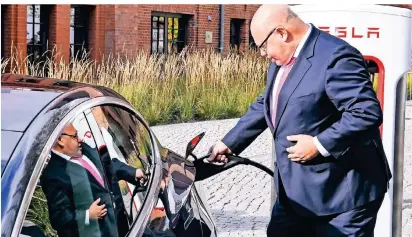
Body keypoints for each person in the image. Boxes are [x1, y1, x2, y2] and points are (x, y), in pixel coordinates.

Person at [208, 4, 392, 237]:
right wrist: (230, 142)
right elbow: (268, 102)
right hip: (295, 193)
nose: (263, 54)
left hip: (342, 197)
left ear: (282, 33)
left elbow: (365, 111)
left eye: (263, 46)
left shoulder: (336, 56)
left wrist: (318, 144)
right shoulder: (282, 61)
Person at [40, 123, 147, 237]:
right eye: (75, 136)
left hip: (120, 224)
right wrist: (87, 215)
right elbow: (59, 217)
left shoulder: (83, 148)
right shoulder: (53, 175)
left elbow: (107, 164)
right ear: (60, 140)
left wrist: (132, 172)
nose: (80, 139)